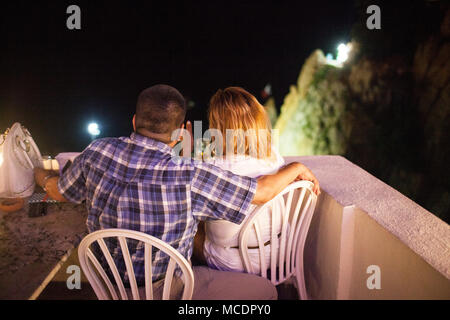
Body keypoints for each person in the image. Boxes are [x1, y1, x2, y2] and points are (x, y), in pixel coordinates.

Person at [34, 84, 320, 300]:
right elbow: (262, 191)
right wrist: (295, 167)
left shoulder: (97, 151)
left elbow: (58, 191)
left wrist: (41, 174)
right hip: (169, 291)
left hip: (109, 286)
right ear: (182, 132)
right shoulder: (191, 175)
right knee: (267, 292)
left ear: (134, 121)